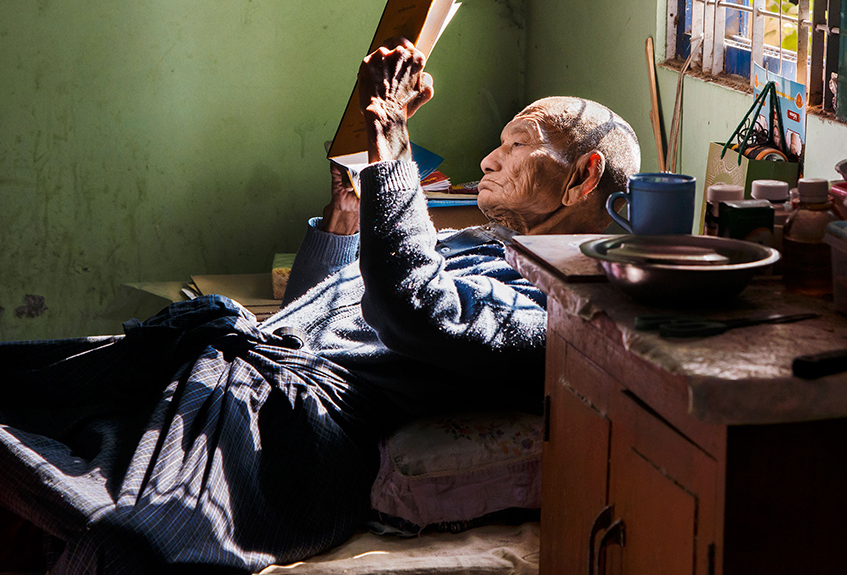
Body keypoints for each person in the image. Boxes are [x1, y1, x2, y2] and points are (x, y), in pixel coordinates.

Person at [0, 39, 640, 573]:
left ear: (583, 176)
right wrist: (350, 211)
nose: (487, 160)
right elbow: (311, 307)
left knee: (125, 545)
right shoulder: (481, 242)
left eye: (516, 145)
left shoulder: (569, 303)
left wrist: (394, 160)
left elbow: (419, 314)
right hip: (231, 369)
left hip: (288, 430)